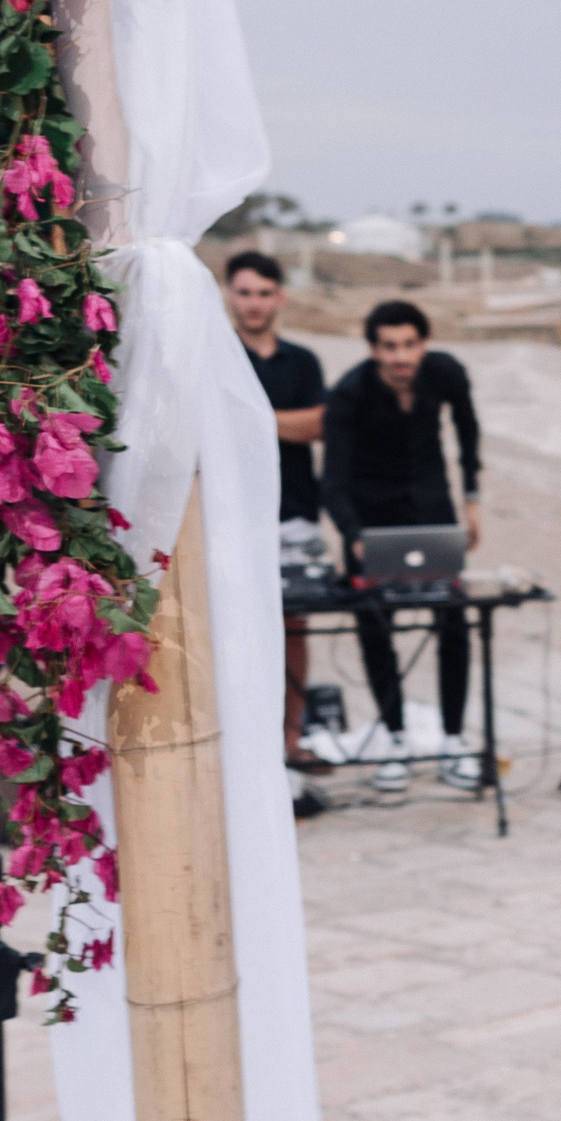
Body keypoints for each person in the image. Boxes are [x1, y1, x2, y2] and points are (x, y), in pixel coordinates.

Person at [321, 298, 483, 792]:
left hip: (434, 513)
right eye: (389, 347)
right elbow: (332, 480)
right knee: (374, 626)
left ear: (423, 344)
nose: (400, 357)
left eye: (409, 345)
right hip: (375, 523)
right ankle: (393, 740)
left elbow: (467, 430)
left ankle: (454, 740)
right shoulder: (349, 393)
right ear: (373, 349)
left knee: (454, 622)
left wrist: (472, 500)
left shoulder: (445, 372)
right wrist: (353, 539)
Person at [224, 250, 329, 781]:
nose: (254, 303)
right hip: (230, 513)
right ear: (229, 295)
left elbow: (317, 426)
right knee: (233, 628)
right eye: (244, 292)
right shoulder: (217, 356)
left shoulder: (303, 362)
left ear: (279, 298)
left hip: (295, 512)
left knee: (294, 627)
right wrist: (279, 422)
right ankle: (247, 745)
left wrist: (247, 417)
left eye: (264, 292)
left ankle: (293, 737)